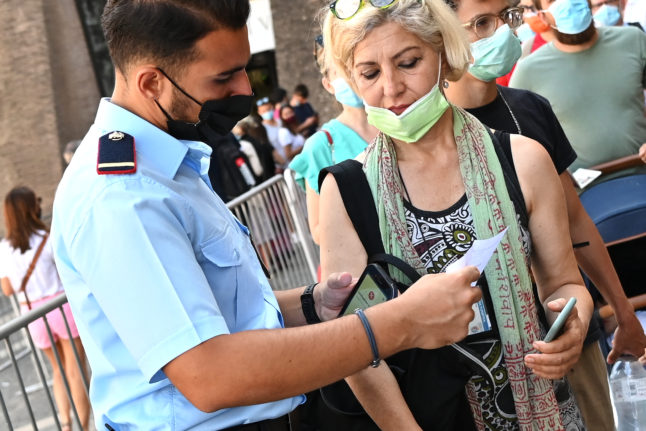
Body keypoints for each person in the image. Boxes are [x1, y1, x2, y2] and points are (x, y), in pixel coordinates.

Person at [50, 1, 485, 429]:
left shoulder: (166, 164)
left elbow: (210, 311)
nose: (244, 89)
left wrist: (309, 305)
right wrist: (401, 323)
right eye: (224, 77)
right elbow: (209, 374)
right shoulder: (124, 196)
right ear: (151, 83)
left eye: (244, 67)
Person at [319, 0, 593, 429]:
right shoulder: (348, 191)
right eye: (369, 73)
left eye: (408, 63)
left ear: (444, 56)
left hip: (546, 413)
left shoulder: (521, 160)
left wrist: (573, 324)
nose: (391, 89)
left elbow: (564, 281)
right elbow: (355, 350)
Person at [443, 0, 646, 428]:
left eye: (507, 16)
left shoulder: (530, 108)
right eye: (480, 23)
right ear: (443, 35)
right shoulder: (435, 136)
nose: (500, 32)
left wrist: (623, 313)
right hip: (491, 364)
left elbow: (575, 221)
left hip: (571, 331)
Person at [510, 0, 646, 179]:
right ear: (542, 15)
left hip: (641, 173)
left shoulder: (633, 39)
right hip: (583, 192)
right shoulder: (528, 70)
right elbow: (518, 144)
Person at [0, 187, 90, 431]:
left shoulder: (4, 249)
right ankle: (83, 427)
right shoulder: (47, 238)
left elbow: (7, 289)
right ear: (31, 208)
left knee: (57, 371)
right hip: (60, 308)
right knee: (76, 371)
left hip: (32, 316)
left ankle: (65, 424)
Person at [289, 39, 377, 245]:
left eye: (353, 66)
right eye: (339, 71)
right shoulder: (320, 146)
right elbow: (319, 232)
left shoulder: (398, 121)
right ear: (328, 84)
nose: (351, 77)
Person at [257, 96, 287, 170]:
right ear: (259, 113)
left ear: (272, 108)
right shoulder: (262, 129)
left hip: (294, 156)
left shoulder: (280, 121)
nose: (267, 112)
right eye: (264, 111)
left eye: (268, 109)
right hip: (282, 165)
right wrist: (280, 162)